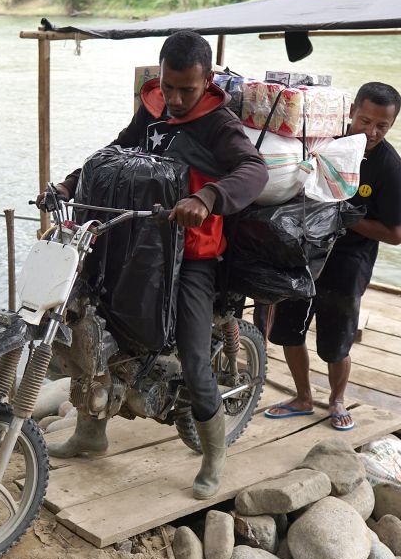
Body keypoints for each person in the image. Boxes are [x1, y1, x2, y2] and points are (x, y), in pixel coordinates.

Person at [43, 30, 266, 499]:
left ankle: (213, 456)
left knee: (192, 353)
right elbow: (116, 153)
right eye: (169, 86)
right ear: (160, 76)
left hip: (191, 256)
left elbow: (253, 171)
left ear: (206, 81)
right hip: (137, 238)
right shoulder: (152, 107)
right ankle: (91, 433)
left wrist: (208, 196)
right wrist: (68, 185)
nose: (177, 99)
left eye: (188, 89)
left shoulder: (220, 125)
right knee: (91, 321)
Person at [262, 81, 401, 431]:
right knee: (288, 330)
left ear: (391, 126)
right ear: (351, 113)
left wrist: (346, 215)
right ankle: (302, 396)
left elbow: (396, 234)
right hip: (303, 251)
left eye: (381, 126)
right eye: (364, 121)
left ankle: (336, 400)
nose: (370, 131)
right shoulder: (323, 143)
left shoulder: (391, 169)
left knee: (336, 342)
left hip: (348, 262)